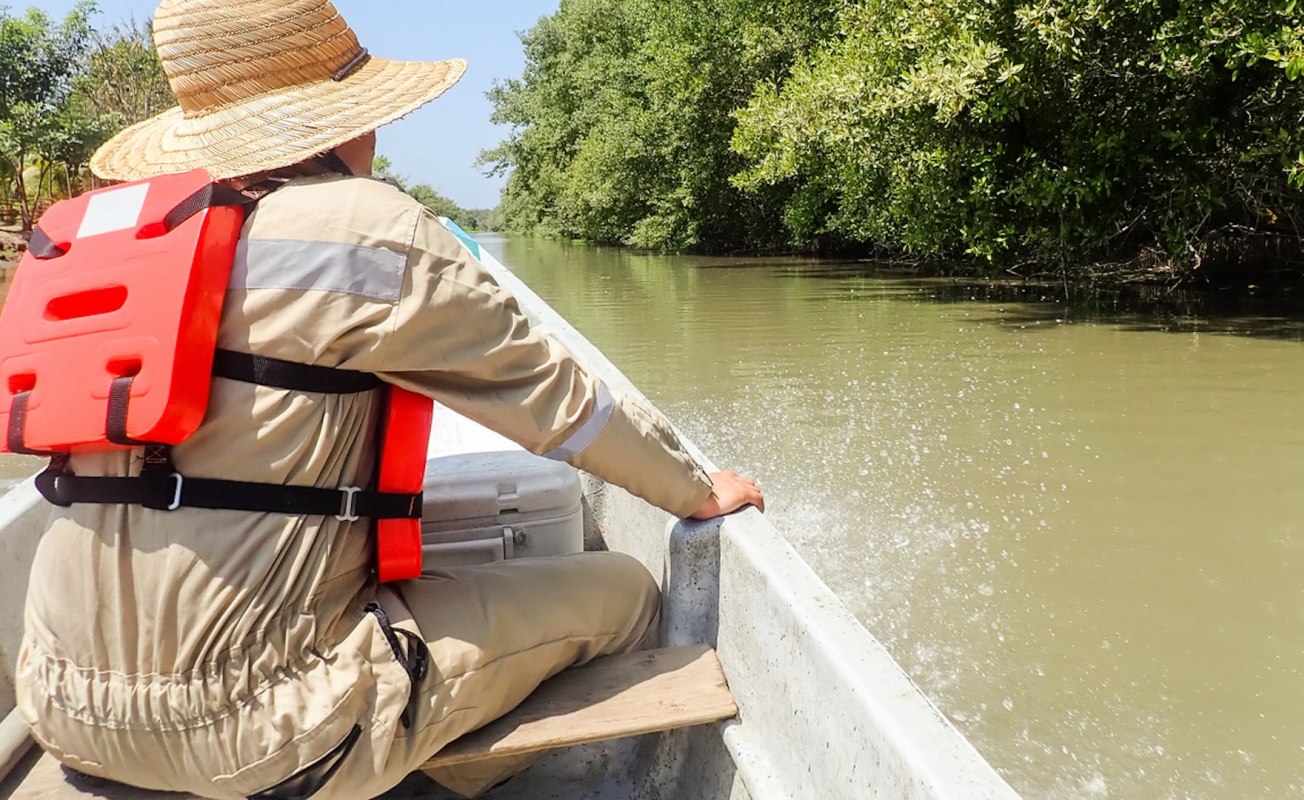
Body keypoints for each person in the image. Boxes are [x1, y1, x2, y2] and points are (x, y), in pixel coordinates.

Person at [13, 1, 763, 798]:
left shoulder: (118, 242)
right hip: (257, 727)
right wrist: (694, 489)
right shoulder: (364, 226)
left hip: (61, 708)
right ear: (343, 125)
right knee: (626, 592)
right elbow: (559, 403)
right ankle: (446, 784)